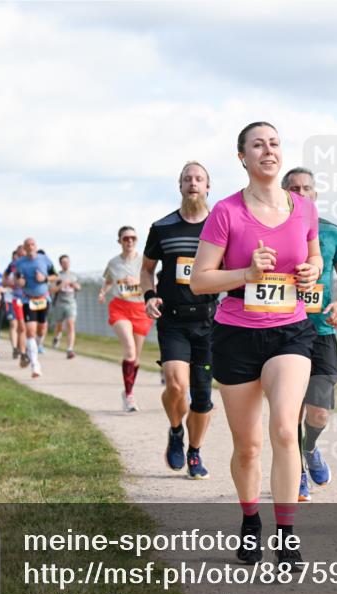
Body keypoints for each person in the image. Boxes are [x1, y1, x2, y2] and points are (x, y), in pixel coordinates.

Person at [190, 121, 321, 570]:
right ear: (242, 157)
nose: (269, 150)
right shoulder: (225, 212)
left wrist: (311, 271)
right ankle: (250, 521)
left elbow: (315, 254)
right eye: (258, 145)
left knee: (285, 429)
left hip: (291, 329)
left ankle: (286, 534)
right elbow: (199, 280)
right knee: (247, 447)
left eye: (275, 143)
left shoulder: (303, 207)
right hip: (236, 333)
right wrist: (246, 274)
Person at [282, 166, 337, 502]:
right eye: (293, 188)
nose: (300, 193)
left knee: (319, 411)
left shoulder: (331, 233)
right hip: (283, 331)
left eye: (306, 188)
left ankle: (310, 448)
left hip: (322, 331)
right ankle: (295, 472)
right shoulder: (272, 231)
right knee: (289, 411)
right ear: (284, 193)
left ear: (315, 193)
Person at [142, 161, 217, 479]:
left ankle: (194, 452)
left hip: (209, 322)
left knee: (202, 397)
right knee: (176, 384)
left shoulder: (219, 226)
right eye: (187, 179)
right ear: (180, 186)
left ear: (208, 186)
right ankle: (176, 430)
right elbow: (147, 269)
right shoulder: (163, 227)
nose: (193, 183)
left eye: (199, 178)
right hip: (172, 320)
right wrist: (149, 296)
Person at [100, 226, 153, 411]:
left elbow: (155, 281)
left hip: (140, 309)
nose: (129, 241)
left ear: (137, 240)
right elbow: (108, 280)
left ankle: (127, 390)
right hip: (120, 307)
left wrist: (138, 282)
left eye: (132, 238)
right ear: (119, 241)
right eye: (125, 239)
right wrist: (102, 292)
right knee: (129, 350)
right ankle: (130, 396)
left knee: (136, 358)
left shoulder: (144, 260)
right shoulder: (113, 263)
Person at [13, 238, 56, 378]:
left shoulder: (45, 259)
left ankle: (34, 350)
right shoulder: (20, 263)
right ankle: (35, 365)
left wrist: (43, 279)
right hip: (28, 299)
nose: (31, 247)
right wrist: (19, 282)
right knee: (30, 331)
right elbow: (17, 279)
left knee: (42, 329)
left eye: (33, 245)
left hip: (43, 298)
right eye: (28, 245)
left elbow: (55, 276)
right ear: (24, 248)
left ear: (36, 247)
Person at [50, 254, 81, 359]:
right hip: (59, 303)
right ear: (60, 264)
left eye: (67, 262)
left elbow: (79, 287)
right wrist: (61, 285)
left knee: (71, 324)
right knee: (59, 325)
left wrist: (74, 285)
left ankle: (70, 349)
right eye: (63, 262)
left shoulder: (74, 275)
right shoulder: (57, 276)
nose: (66, 264)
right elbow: (52, 290)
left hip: (71, 303)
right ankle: (57, 336)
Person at [3, 246, 27, 360]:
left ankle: (21, 347)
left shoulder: (28, 266)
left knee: (22, 326)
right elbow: (4, 279)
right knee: (14, 324)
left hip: (23, 299)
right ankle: (15, 348)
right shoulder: (12, 266)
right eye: (15, 257)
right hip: (11, 298)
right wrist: (8, 283)